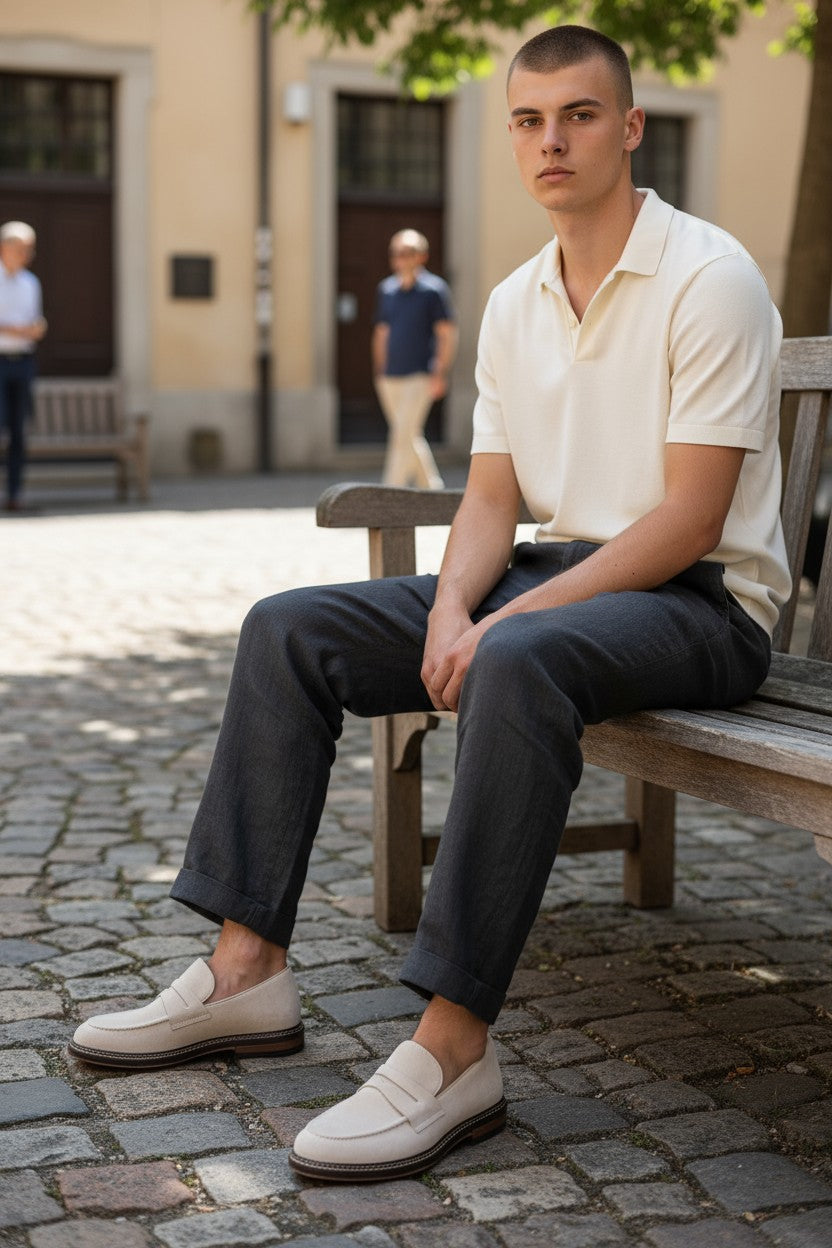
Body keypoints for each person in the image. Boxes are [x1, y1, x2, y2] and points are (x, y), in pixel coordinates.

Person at [69, 26, 790, 1184]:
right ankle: (247, 972)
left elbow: (691, 519)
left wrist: (501, 630)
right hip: (547, 582)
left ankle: (453, 1050)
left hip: (701, 607)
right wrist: (456, 609)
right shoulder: (514, 301)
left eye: (579, 115)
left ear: (630, 127)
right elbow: (491, 500)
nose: (550, 140)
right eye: (527, 119)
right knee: (289, 629)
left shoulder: (708, 275)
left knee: (522, 659)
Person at [372, 228, 457, 488]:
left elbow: (447, 334)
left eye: (407, 252)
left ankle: (389, 496)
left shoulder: (434, 291)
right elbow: (381, 332)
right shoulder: (386, 290)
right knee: (408, 436)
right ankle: (433, 490)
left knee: (401, 437)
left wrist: (440, 373)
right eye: (396, 253)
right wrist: (379, 370)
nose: (401, 258)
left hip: (421, 374)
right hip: (390, 377)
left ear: (422, 256)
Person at [0, 220, 46, 512]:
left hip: (24, 362)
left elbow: (34, 321)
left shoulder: (31, 283)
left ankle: (15, 493)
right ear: (6, 247)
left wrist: (35, 329)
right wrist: (17, 330)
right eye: (23, 248)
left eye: (30, 249)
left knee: (19, 431)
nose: (28, 254)